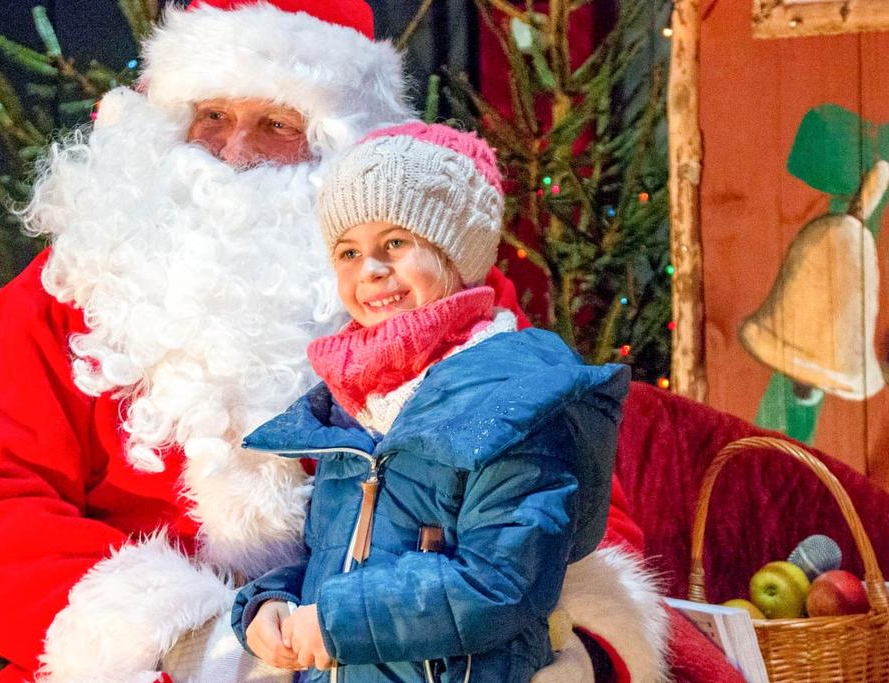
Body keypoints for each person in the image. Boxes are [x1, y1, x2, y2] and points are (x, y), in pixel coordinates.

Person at [0, 2, 669, 683]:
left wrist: (579, 644)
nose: (234, 151)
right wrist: (191, 638)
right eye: (211, 114)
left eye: (277, 125)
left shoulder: (443, 297)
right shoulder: (68, 290)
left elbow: (571, 489)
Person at [232, 123, 630, 682]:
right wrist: (272, 603)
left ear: (454, 252)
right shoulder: (356, 405)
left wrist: (339, 621)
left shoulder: (512, 401)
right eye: (348, 252)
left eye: (395, 243)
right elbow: (341, 558)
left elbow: (501, 582)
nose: (370, 270)